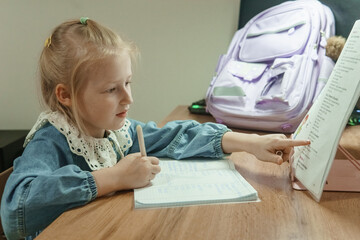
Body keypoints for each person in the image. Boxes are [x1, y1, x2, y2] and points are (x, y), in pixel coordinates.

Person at [0, 17, 310, 240]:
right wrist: (114, 177)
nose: (128, 98)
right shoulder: (51, 139)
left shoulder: (113, 130)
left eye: (128, 83)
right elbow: (16, 209)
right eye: (111, 90)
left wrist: (249, 143)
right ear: (65, 95)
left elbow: (173, 135)